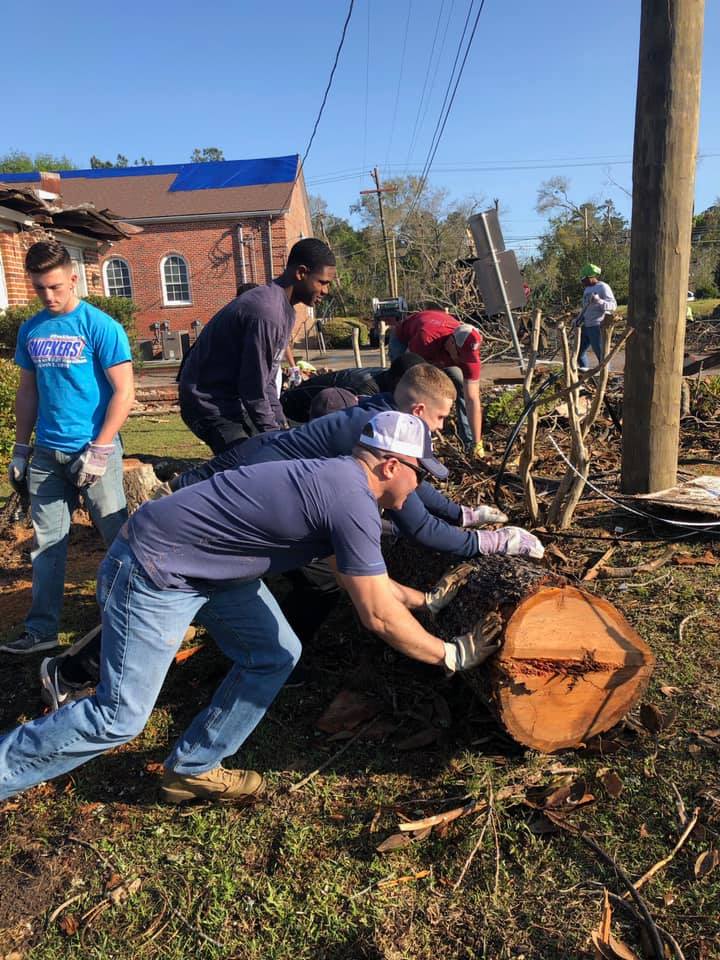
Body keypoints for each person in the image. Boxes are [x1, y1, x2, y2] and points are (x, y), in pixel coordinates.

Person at [0, 412, 502, 804]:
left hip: (209, 568)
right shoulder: (349, 499)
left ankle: (193, 769)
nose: (421, 488)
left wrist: (424, 600)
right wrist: (451, 655)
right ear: (391, 466)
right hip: (155, 569)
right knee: (119, 716)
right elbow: (375, 615)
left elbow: (362, 578)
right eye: (420, 474)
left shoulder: (339, 483)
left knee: (275, 653)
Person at [39, 365, 541, 707]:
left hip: (245, 499)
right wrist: (487, 544)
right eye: (438, 420)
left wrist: (465, 515)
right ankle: (78, 672)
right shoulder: (372, 445)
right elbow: (417, 525)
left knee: (270, 584)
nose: (439, 431)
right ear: (415, 416)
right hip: (223, 508)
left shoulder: (380, 429)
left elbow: (417, 493)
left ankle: (266, 661)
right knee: (194, 588)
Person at [1, 241, 134, 656]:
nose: (49, 296)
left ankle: (131, 619)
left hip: (95, 451)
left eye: (55, 286)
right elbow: (27, 393)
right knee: (46, 544)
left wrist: (100, 447)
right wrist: (20, 448)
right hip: (46, 454)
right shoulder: (32, 330)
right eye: (40, 288)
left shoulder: (100, 326)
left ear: (73, 278)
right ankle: (41, 631)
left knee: (117, 538)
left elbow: (125, 392)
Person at [178, 238, 336, 454]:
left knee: (276, 449)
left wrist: (280, 426)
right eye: (322, 282)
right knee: (250, 465)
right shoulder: (266, 311)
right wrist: (274, 435)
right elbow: (253, 387)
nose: (326, 291)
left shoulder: (286, 311)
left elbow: (268, 380)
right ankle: (175, 487)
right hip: (207, 404)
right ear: (301, 273)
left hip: (235, 402)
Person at [390, 309, 485, 457]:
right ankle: (406, 438)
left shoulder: (469, 354)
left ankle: (470, 443)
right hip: (403, 339)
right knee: (405, 388)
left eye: (468, 358)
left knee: (459, 383)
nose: (463, 361)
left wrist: (478, 443)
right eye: (461, 355)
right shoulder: (426, 339)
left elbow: (472, 399)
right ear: (452, 343)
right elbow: (409, 372)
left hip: (438, 351)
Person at [280, 352, 425, 422]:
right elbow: (347, 426)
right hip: (293, 410)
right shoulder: (365, 389)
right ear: (399, 380)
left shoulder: (388, 376)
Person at [575, 263, 617, 371]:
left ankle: (607, 379)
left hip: (597, 326)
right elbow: (585, 308)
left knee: (602, 356)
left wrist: (599, 301)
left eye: (584, 279)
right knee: (578, 353)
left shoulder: (602, 287)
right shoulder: (587, 289)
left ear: (591, 277)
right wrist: (578, 319)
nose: (582, 282)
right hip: (586, 326)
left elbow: (613, 306)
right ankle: (586, 375)